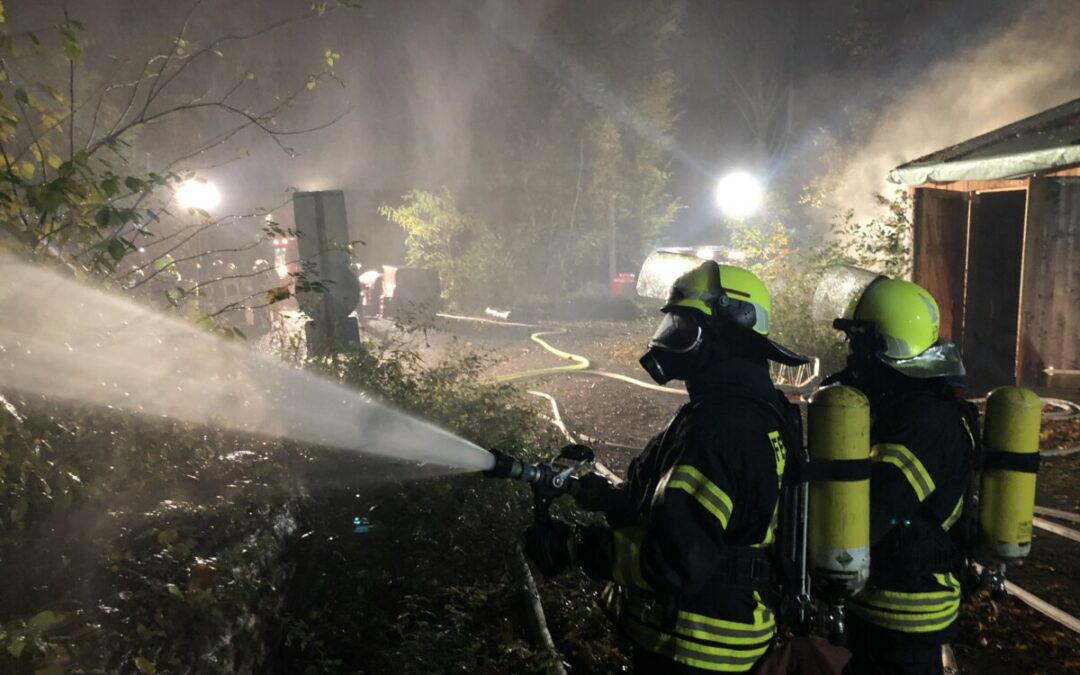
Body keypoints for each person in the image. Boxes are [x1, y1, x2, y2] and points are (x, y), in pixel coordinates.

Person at [524, 260, 807, 674]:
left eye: (684, 328)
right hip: (721, 633)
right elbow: (691, 510)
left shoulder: (720, 427)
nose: (668, 341)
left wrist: (573, 547)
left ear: (727, 330)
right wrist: (611, 499)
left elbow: (678, 559)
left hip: (697, 643)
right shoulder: (751, 409)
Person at [823, 272, 975, 675]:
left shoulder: (925, 420)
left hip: (905, 611)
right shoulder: (902, 409)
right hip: (877, 604)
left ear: (885, 348)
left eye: (859, 344)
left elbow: (878, 507)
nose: (852, 356)